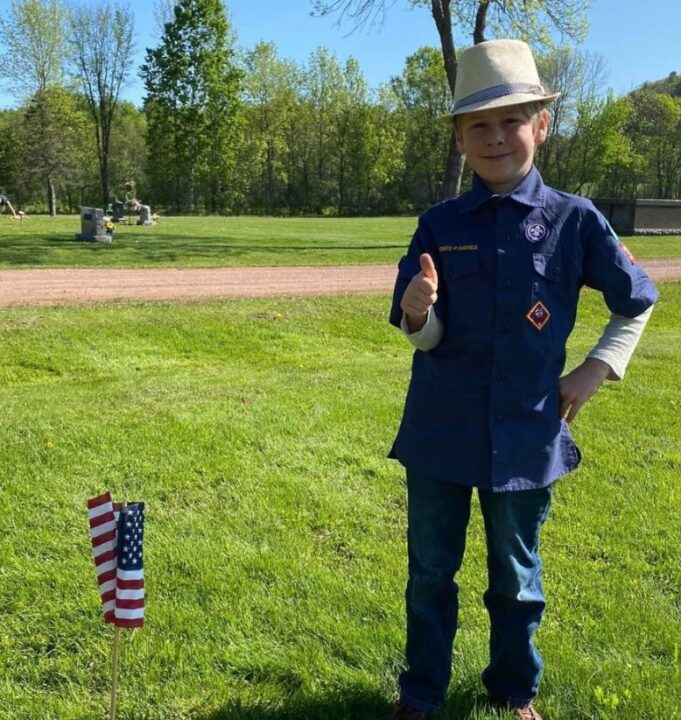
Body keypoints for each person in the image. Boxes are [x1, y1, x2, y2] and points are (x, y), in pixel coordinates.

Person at [387, 39, 658, 720]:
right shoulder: (438, 225)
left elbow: (637, 298)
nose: (495, 136)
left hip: (526, 435)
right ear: (458, 138)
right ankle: (419, 696)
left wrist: (597, 369)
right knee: (428, 575)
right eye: (477, 124)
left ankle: (512, 694)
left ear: (541, 124)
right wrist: (418, 314)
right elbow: (425, 333)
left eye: (512, 119)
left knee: (516, 578)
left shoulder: (574, 220)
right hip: (438, 433)